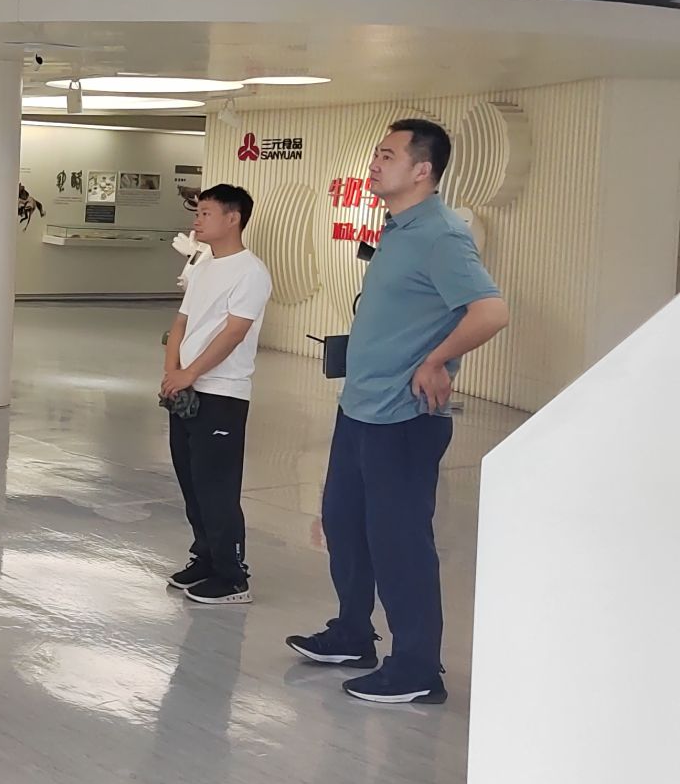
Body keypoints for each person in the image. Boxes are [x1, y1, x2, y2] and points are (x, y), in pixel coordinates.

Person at [287, 119, 508, 705]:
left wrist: (436, 360)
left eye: (387, 155)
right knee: (344, 523)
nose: (374, 164)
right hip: (361, 408)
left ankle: (416, 667)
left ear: (422, 170)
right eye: (376, 154)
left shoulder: (441, 234)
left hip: (404, 418)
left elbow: (490, 311)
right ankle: (352, 634)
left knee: (399, 542)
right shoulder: (397, 227)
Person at [161, 184, 273, 605]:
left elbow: (233, 333)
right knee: (191, 481)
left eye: (206, 213)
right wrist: (172, 372)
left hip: (223, 394)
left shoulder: (251, 272)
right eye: (198, 212)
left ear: (233, 218)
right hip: (185, 390)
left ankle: (232, 575)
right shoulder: (204, 266)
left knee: (217, 487)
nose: (197, 219)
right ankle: (205, 557)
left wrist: (189, 372)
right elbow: (181, 323)